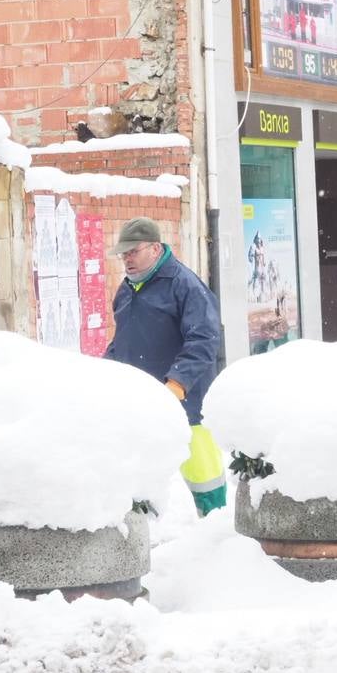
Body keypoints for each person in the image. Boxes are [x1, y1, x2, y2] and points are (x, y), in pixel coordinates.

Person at [105, 217, 226, 516]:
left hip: (187, 400)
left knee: (203, 475)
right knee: (142, 473)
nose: (127, 259)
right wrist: (104, 373)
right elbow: (123, 341)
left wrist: (178, 383)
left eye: (134, 251)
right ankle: (144, 528)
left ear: (156, 248)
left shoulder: (184, 285)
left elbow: (204, 338)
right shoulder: (127, 289)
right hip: (142, 401)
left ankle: (216, 526)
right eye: (124, 254)